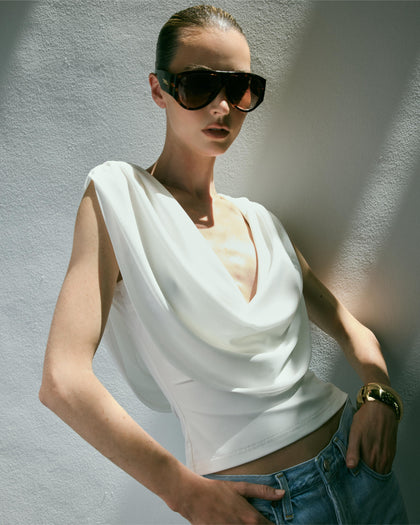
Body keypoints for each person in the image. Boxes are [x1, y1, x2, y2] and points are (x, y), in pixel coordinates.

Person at [39, 5, 408, 524]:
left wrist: (380, 394)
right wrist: (183, 493)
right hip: (259, 509)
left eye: (239, 88)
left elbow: (353, 330)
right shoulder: (117, 197)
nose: (222, 106)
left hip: (363, 473)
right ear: (158, 89)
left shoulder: (261, 221)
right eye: (198, 85)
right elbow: (62, 380)